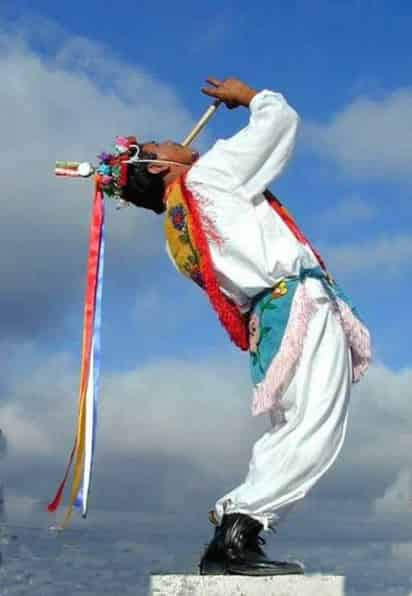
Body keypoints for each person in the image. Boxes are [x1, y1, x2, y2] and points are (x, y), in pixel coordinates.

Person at [97, 77, 371, 576]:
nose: (178, 141)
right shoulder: (208, 177)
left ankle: (241, 529)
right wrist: (249, 98)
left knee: (294, 426)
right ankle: (238, 524)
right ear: (159, 165)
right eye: (161, 143)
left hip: (271, 319)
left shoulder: (178, 229)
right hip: (296, 304)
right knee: (314, 425)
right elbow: (280, 122)